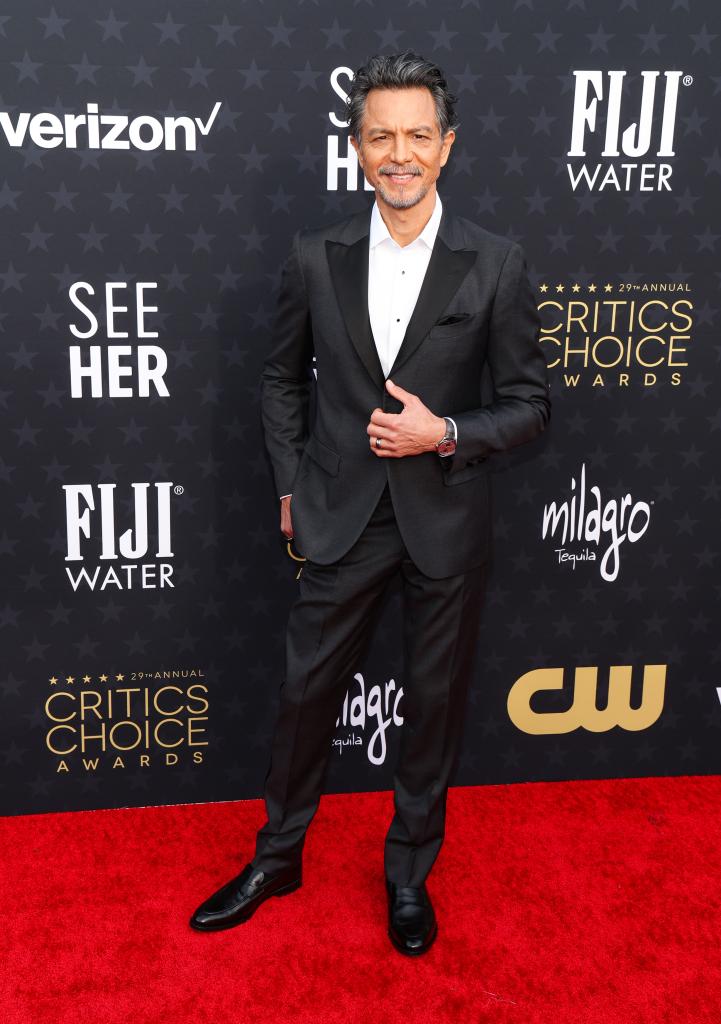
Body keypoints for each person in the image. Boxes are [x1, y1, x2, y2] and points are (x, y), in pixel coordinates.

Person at [190, 50, 551, 955]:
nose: (400, 153)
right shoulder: (316, 256)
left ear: (446, 147)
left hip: (445, 518)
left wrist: (447, 433)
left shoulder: (495, 264)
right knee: (305, 694)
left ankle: (406, 876)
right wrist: (288, 483)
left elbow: (531, 405)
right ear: (357, 148)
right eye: (381, 136)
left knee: (432, 707)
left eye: (417, 136)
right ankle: (278, 858)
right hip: (339, 514)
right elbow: (279, 379)